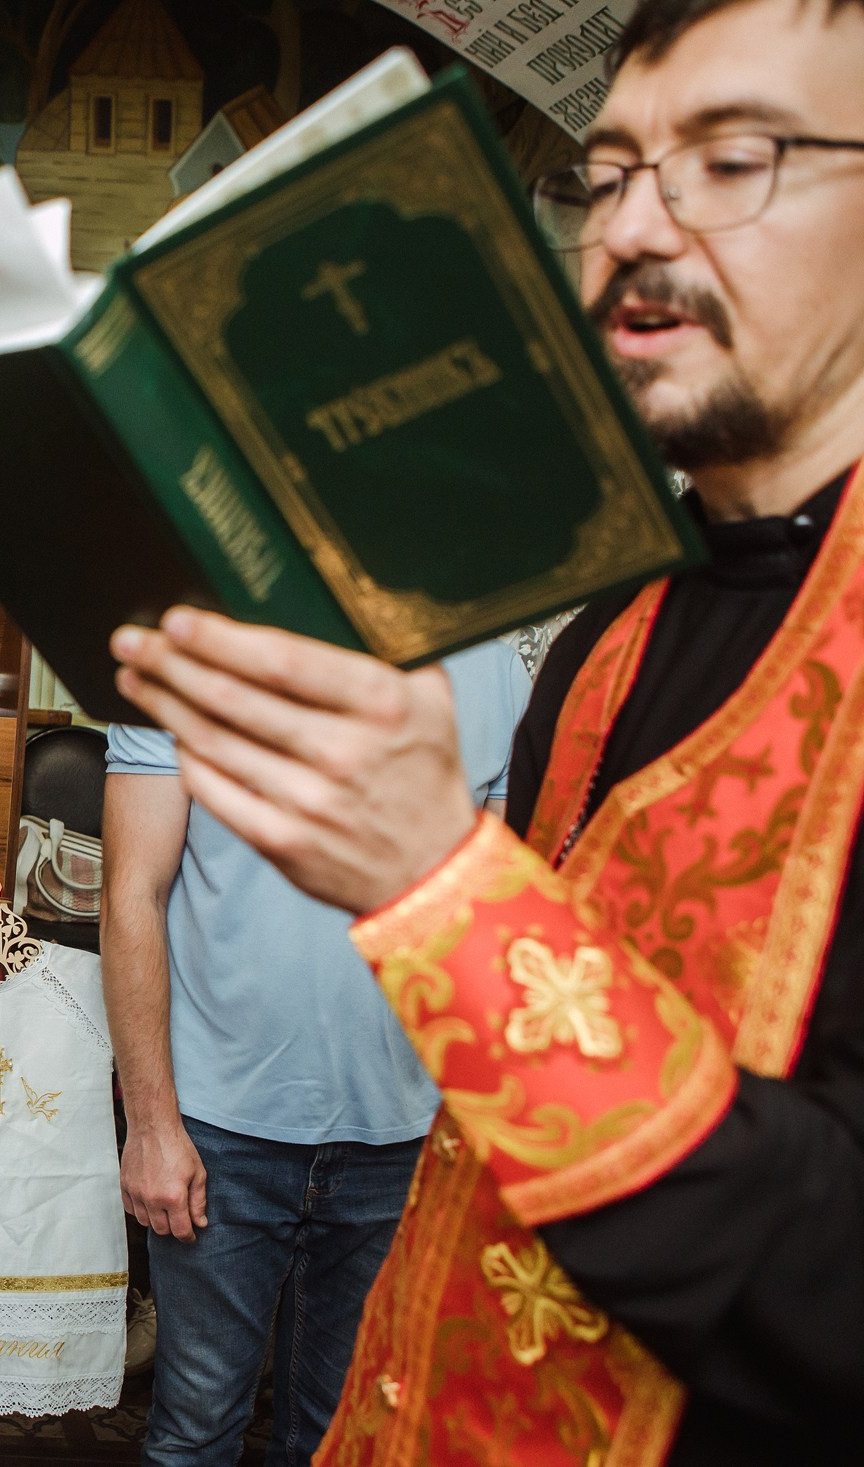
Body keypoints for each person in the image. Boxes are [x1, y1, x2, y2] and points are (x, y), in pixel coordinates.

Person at [109, 1, 864, 1461]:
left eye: (732, 160)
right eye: (615, 170)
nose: (639, 225)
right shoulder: (603, 628)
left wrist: (435, 883)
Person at [105, 639, 528, 1467]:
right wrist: (152, 1123)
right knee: (194, 1435)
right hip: (218, 1131)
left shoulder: (495, 665)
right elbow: (132, 892)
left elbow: (491, 912)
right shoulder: (194, 645)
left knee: (342, 1440)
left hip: (399, 1138)